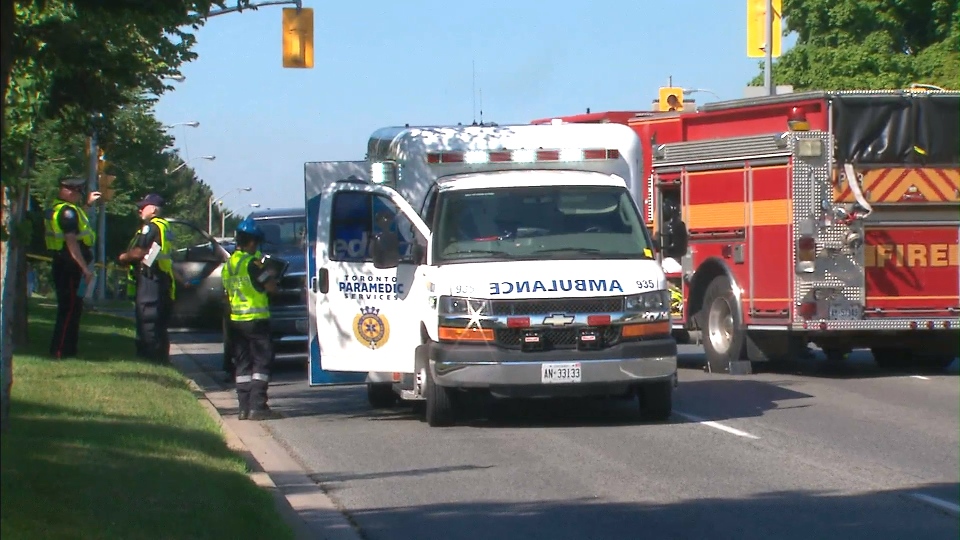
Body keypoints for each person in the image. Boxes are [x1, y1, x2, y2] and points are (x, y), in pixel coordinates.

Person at [222, 217, 281, 420]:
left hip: (235, 321)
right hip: (256, 320)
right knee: (261, 363)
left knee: (242, 365)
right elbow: (270, 288)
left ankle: (243, 408)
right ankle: (258, 406)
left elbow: (226, 294)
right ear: (252, 242)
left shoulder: (228, 265)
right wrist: (273, 275)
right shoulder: (253, 264)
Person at [44, 177, 101, 359]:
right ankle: (61, 350)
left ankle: (68, 349)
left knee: (73, 307)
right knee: (68, 309)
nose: (78, 195)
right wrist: (84, 268)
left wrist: (88, 205)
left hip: (64, 262)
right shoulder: (67, 212)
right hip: (69, 264)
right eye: (77, 192)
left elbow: (75, 223)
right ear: (69, 191)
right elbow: (71, 242)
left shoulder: (60, 209)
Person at [118, 193, 176, 363]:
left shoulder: (152, 227)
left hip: (150, 279)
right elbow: (154, 252)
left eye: (143, 207)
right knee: (158, 324)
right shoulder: (164, 227)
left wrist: (124, 258)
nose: (140, 210)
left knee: (148, 320)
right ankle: (160, 358)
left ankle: (150, 358)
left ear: (153, 209)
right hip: (160, 277)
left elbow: (141, 251)